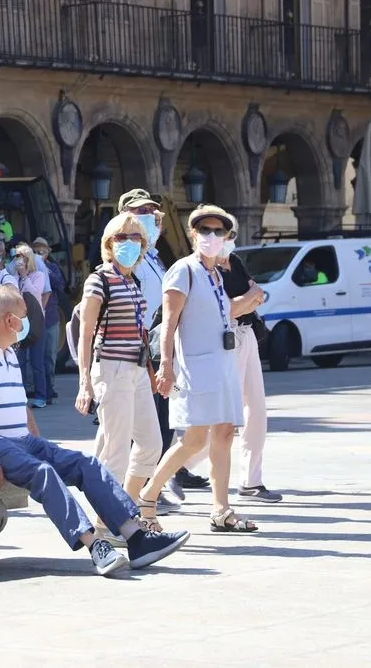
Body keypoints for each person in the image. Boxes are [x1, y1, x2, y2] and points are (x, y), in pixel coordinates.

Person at [0, 285, 190, 575]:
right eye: (24, 317)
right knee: (43, 472)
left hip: (20, 440)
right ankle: (95, 545)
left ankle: (136, 537)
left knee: (86, 463)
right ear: (10, 321)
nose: (27, 323)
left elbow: (22, 406)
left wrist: (36, 441)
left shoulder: (6, 351)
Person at [136, 205, 256, 533]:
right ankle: (148, 495)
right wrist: (165, 368)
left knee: (223, 434)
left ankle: (222, 508)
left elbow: (221, 315)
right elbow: (170, 323)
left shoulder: (216, 274)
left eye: (219, 232)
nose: (212, 237)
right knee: (192, 440)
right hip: (196, 367)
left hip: (222, 363)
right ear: (193, 234)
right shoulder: (182, 271)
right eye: (205, 231)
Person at [75, 212, 164, 543]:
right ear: (108, 244)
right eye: (120, 238)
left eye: (135, 237)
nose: (128, 243)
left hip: (137, 371)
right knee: (115, 453)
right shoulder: (99, 280)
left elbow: (141, 331)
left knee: (151, 444)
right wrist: (84, 382)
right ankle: (107, 523)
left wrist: (152, 372)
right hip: (111, 369)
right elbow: (86, 332)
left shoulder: (133, 281)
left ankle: (120, 510)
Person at [121, 189, 209, 501]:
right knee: (144, 427)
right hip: (140, 351)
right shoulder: (130, 259)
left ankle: (149, 486)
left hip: (159, 349)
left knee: (159, 424)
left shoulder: (155, 258)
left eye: (153, 213)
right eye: (142, 211)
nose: (151, 218)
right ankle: (137, 491)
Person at [215, 237, 279, 502]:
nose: (226, 239)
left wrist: (247, 300)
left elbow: (257, 294)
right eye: (217, 232)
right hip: (225, 340)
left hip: (246, 334)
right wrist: (247, 300)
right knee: (223, 415)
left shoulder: (235, 262)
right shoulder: (205, 269)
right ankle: (181, 464)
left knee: (256, 409)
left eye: (228, 233)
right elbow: (225, 309)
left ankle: (251, 481)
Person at [14, 243, 48, 408]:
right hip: (19, 322)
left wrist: (24, 276)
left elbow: (35, 293)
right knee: (19, 361)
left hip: (35, 322)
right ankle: (20, 395)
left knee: (37, 362)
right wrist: (17, 276)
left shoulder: (38, 275)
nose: (19, 261)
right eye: (17, 257)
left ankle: (41, 395)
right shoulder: (14, 277)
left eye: (22, 257)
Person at [33, 237, 66, 404]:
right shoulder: (30, 269)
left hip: (51, 317)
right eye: (36, 251)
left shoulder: (53, 268)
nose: (39, 254)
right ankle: (39, 389)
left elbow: (60, 285)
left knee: (50, 356)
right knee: (37, 357)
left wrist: (47, 270)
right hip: (36, 319)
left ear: (48, 253)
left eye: (42, 251)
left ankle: (50, 387)